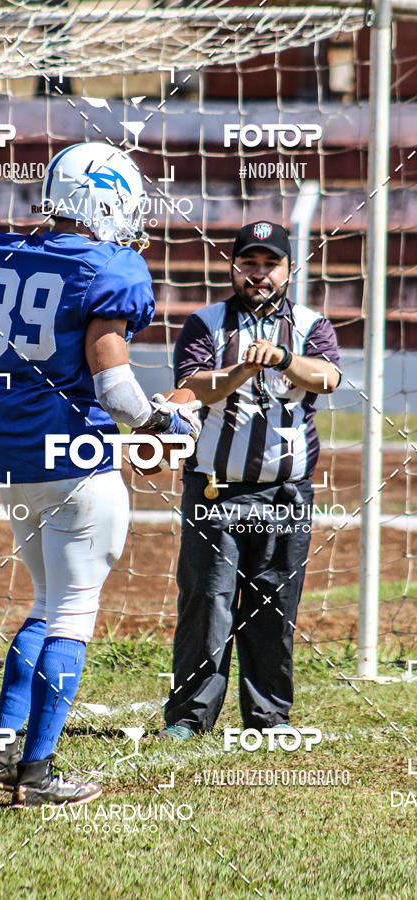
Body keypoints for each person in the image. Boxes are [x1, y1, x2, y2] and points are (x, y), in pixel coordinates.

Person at [0, 141, 200, 805]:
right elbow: (116, 386)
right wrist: (168, 424)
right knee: (72, 610)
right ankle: (35, 773)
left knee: (44, 602)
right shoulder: (111, 265)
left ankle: (1, 747)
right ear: (106, 199)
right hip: (79, 459)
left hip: (13, 458)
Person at [160, 221, 342, 740]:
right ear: (234, 266)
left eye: (270, 264)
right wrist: (240, 370)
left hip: (286, 494)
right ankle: (191, 717)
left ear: (288, 269)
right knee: (207, 602)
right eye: (249, 263)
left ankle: (268, 718)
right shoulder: (206, 323)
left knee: (273, 606)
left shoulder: (311, 324)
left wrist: (283, 358)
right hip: (215, 488)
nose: (259, 274)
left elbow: (327, 378)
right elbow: (190, 388)